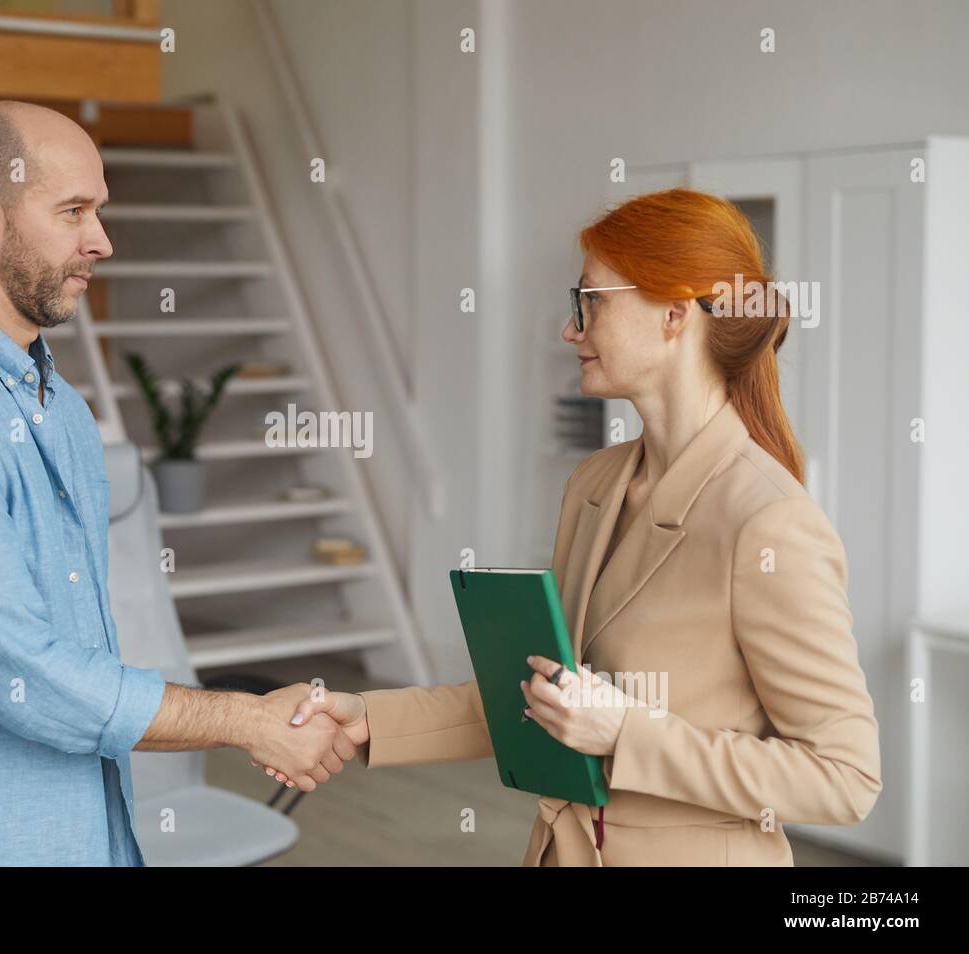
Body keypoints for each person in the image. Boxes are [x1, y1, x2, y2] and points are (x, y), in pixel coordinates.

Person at [260, 189, 883, 866]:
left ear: (675, 313)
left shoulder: (768, 522)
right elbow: (545, 695)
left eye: (591, 300)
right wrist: (366, 718)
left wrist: (626, 733)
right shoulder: (596, 483)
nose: (570, 328)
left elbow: (844, 778)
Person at [0, 101, 354, 867]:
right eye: (73, 211)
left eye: (98, 211)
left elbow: (74, 651)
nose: (101, 241)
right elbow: (22, 669)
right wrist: (244, 719)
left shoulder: (62, 408)